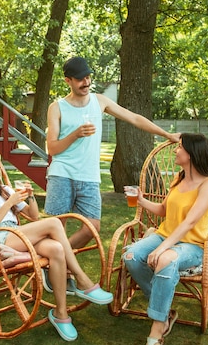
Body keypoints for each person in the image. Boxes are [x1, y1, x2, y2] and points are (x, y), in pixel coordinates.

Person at [0, 146, 113, 341]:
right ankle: (81, 279)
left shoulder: (4, 190)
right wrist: (9, 203)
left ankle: (61, 314)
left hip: (15, 234)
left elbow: (33, 216)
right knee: (54, 223)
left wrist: (30, 195)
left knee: (56, 249)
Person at [45, 56, 180, 250]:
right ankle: (60, 271)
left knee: (92, 228)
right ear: (68, 80)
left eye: (88, 77)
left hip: (89, 176)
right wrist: (75, 134)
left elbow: (134, 118)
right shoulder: (57, 108)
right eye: (80, 79)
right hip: (62, 173)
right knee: (57, 229)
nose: (87, 82)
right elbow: (53, 148)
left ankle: (61, 262)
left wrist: (166, 134)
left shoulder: (99, 101)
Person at [122, 133, 208, 345]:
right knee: (131, 255)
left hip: (192, 245)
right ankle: (165, 312)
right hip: (166, 235)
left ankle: (157, 329)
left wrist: (161, 248)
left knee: (164, 260)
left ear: (192, 153)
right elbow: (165, 211)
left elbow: (190, 222)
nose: (175, 151)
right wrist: (142, 201)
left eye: (180, 148)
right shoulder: (179, 177)